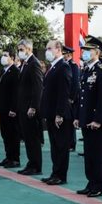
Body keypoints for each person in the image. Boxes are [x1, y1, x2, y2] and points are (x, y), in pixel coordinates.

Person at [74, 36, 102, 197]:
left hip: (96, 121)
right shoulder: (86, 70)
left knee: (98, 155)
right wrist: (78, 116)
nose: (85, 53)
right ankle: (90, 182)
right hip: (86, 119)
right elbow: (81, 97)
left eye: (88, 51)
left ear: (96, 52)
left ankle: (98, 185)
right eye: (84, 51)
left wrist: (98, 119)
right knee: (88, 154)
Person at [40, 40, 73, 185]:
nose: (47, 51)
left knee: (61, 146)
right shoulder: (53, 67)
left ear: (58, 49)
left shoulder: (63, 67)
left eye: (49, 48)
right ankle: (55, 172)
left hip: (59, 114)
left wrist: (60, 113)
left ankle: (60, 175)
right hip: (51, 113)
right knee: (54, 146)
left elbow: (63, 93)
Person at [16, 39, 44, 176]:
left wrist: (33, 106)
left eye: (21, 49)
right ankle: (31, 163)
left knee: (33, 138)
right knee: (27, 137)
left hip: (30, 108)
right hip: (23, 106)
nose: (19, 52)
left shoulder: (34, 64)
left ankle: (36, 165)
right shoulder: (25, 64)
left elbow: (38, 87)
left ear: (29, 49)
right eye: (19, 50)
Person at [0, 49, 21, 169]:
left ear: (12, 58)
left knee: (13, 134)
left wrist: (14, 108)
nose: (3, 58)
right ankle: (8, 156)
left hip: (11, 109)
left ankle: (15, 158)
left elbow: (16, 93)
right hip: (3, 108)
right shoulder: (3, 71)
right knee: (5, 133)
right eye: (2, 55)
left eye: (5, 56)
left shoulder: (15, 71)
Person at [63, 45, 80, 152]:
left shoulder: (73, 66)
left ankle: (71, 144)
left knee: (70, 121)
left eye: (64, 53)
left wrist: (72, 98)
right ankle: (66, 142)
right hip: (65, 98)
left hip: (71, 98)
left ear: (69, 54)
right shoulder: (64, 65)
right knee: (66, 121)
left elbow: (75, 83)